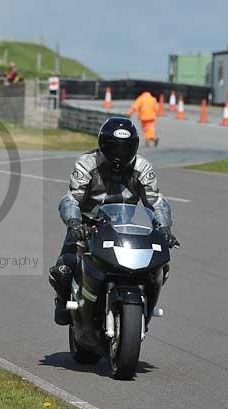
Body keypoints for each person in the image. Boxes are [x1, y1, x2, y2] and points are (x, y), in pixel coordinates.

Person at [48, 117, 177, 325]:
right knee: (64, 268)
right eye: (114, 148)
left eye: (125, 149)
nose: (119, 155)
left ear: (134, 147)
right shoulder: (87, 163)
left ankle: (146, 307)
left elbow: (157, 202)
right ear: (102, 145)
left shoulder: (142, 167)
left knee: (161, 264)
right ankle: (63, 301)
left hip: (127, 227)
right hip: (87, 226)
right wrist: (74, 223)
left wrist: (165, 228)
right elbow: (71, 198)